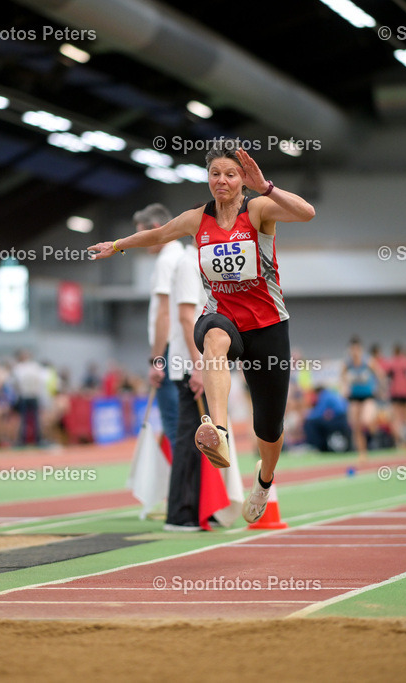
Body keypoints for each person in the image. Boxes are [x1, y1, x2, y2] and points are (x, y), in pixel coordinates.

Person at [90, 140, 315, 523]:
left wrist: (267, 187)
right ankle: (219, 431)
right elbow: (159, 234)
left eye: (230, 174)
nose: (222, 181)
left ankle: (263, 480)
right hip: (222, 317)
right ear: (208, 178)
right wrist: (118, 245)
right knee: (213, 339)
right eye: (215, 174)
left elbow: (307, 213)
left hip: (267, 326)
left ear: (242, 179)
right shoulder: (198, 219)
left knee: (269, 428)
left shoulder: (258, 209)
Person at [163, 232, 206, 531]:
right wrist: (198, 364)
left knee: (203, 441)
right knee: (190, 440)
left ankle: (200, 507)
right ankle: (180, 512)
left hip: (197, 364)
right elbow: (186, 317)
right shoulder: (189, 265)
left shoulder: (200, 263)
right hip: (190, 367)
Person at [134, 203, 184, 451]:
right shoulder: (184, 256)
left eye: (140, 234)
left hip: (168, 349)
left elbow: (163, 315)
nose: (140, 242)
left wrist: (156, 360)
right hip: (185, 349)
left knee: (175, 426)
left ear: (155, 229)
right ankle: (195, 486)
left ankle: (185, 488)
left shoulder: (166, 262)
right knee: (187, 425)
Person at [341, 336, 385, 459]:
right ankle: (362, 453)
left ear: (360, 349)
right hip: (354, 397)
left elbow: (380, 374)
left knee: (366, 420)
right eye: (352, 350)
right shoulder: (347, 364)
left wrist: (380, 388)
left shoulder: (368, 361)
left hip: (368, 396)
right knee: (356, 425)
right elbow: (342, 377)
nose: (354, 352)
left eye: (356, 349)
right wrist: (344, 387)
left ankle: (375, 431)